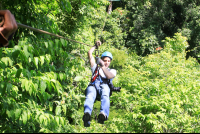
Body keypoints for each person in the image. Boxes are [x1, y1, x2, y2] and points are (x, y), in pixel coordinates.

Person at [82, 40, 117, 127]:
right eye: (105, 60)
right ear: (101, 59)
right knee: (90, 95)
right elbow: (89, 53)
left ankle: (103, 114)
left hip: (104, 86)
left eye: (109, 61)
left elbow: (109, 76)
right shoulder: (95, 68)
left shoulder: (112, 71)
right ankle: (87, 114)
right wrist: (95, 46)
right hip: (93, 85)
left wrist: (102, 66)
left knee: (105, 93)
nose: (107, 62)